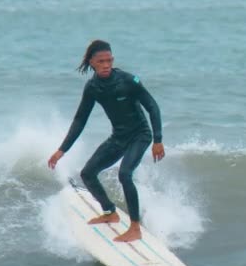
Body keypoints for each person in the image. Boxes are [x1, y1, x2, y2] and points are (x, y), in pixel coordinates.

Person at [48, 40, 165, 242]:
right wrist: (62, 150)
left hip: (140, 135)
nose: (106, 65)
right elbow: (80, 120)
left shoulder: (128, 81)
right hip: (119, 137)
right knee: (88, 173)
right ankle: (110, 211)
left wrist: (158, 140)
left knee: (125, 174)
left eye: (109, 60)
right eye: (101, 61)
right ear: (92, 62)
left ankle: (135, 227)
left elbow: (152, 107)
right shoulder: (93, 87)